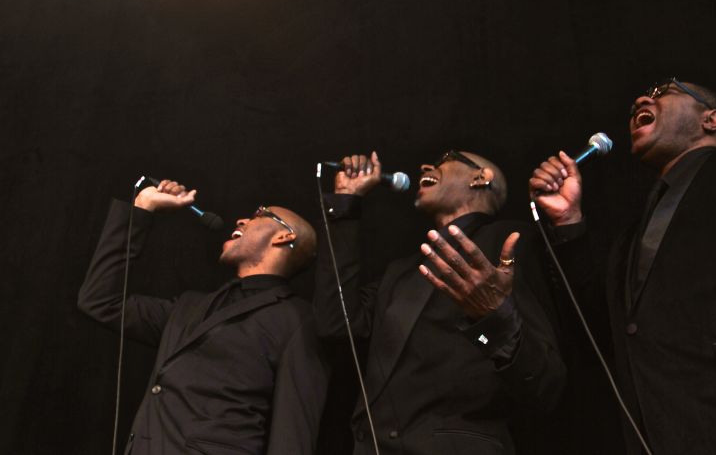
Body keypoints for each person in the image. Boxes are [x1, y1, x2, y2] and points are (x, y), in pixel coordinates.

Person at [529, 78, 716, 455]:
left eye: (663, 91)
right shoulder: (631, 238)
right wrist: (568, 222)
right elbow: (607, 331)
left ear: (711, 119)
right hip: (661, 433)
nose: (641, 99)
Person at [314, 151, 565, 455]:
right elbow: (336, 323)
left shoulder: (511, 242)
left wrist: (496, 316)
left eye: (446, 158)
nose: (425, 166)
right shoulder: (400, 272)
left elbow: (545, 382)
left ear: (480, 177)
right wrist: (345, 203)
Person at [78, 179, 328, 455]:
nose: (242, 220)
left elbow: (292, 435)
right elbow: (100, 301)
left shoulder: (296, 319)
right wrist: (143, 207)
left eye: (260, 214)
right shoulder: (189, 306)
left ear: (284, 236)